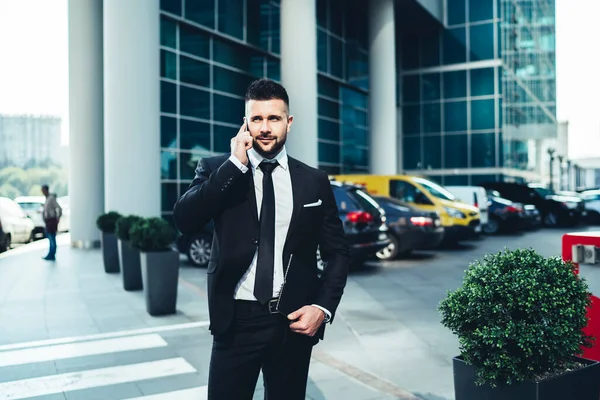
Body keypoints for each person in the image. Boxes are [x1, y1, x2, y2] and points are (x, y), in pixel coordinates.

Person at [173, 78, 350, 399]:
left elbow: (337, 252)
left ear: (288, 122)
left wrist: (322, 308)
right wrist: (235, 165)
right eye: (257, 119)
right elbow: (185, 220)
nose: (265, 127)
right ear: (245, 123)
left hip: (293, 320)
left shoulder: (313, 181)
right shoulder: (218, 169)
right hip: (236, 320)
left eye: (274, 118)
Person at [41, 184, 62, 261]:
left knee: (52, 238)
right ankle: (50, 253)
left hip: (52, 221)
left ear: (46, 190)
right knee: (50, 238)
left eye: (43, 190)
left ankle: (52, 254)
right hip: (48, 221)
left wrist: (58, 218)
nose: (42, 192)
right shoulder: (46, 199)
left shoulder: (51, 199)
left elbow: (59, 208)